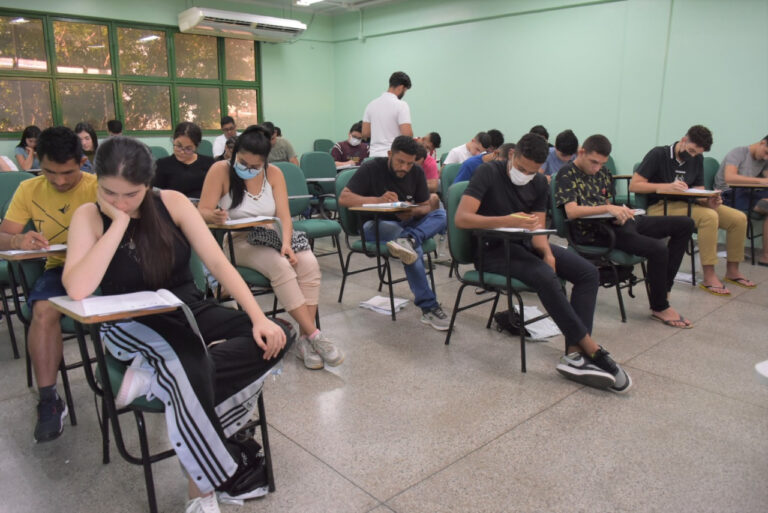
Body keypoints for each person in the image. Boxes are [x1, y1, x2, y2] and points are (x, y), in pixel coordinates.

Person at [62, 136, 292, 513]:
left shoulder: (171, 202)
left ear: (148, 184)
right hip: (129, 320)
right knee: (191, 364)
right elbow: (77, 287)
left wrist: (257, 317)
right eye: (110, 193)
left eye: (131, 195)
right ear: (97, 182)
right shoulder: (88, 216)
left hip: (185, 307)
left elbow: (217, 263)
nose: (120, 202)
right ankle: (200, 491)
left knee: (278, 335)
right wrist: (119, 224)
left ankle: (160, 378)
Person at [454, 133, 632, 392]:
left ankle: (574, 354)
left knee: (587, 272)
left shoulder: (538, 182)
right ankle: (591, 349)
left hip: (525, 245)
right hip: (492, 250)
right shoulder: (488, 173)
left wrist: (547, 254)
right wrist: (506, 220)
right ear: (512, 155)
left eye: (532, 171)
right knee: (545, 277)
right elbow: (462, 218)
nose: (525, 175)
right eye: (521, 168)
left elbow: (537, 229)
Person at [199, 126, 343, 370]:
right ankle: (315, 335)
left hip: (272, 235)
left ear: (265, 161)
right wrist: (214, 216)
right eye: (242, 162)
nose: (248, 169)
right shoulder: (220, 170)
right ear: (233, 153)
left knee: (309, 263)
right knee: (281, 266)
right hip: (239, 240)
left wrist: (286, 243)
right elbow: (202, 211)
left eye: (255, 166)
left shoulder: (274, 173)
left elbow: (284, 216)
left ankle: (304, 341)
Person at [0, 126, 98, 442]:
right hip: (59, 268)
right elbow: (3, 236)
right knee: (42, 311)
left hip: (105, 267)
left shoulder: (99, 187)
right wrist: (17, 240)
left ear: (82, 161)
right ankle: (49, 400)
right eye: (49, 172)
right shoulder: (29, 189)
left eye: (67, 172)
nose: (59, 181)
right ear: (39, 163)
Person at [556, 134, 695, 328]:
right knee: (658, 248)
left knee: (686, 224)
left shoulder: (603, 173)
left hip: (614, 223)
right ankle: (660, 306)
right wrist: (608, 209)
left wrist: (618, 213)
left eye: (601, 163)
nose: (597, 168)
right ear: (581, 152)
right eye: (593, 162)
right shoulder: (567, 173)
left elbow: (606, 202)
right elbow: (571, 212)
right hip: (593, 232)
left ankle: (664, 288)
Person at [339, 135, 450, 330]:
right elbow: (344, 199)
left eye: (410, 163)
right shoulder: (371, 168)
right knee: (411, 249)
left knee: (441, 214)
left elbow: (425, 206)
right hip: (375, 225)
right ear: (390, 154)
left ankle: (409, 239)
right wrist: (378, 200)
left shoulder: (416, 172)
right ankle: (428, 306)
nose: (405, 168)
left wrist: (412, 211)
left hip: (406, 223)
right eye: (400, 161)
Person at [630, 125, 754, 296]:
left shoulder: (697, 158)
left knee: (738, 218)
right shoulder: (659, 154)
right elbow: (634, 185)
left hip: (689, 204)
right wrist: (666, 186)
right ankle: (709, 276)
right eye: (691, 151)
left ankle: (733, 271)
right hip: (660, 205)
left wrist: (708, 200)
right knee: (709, 217)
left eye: (697, 153)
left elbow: (699, 190)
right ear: (683, 140)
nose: (693, 156)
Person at [713, 135, 768, 265]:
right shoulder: (738, 152)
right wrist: (761, 181)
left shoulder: (764, 159)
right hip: (727, 194)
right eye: (766, 153)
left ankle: (765, 256)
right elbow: (730, 178)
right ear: (762, 143)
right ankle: (766, 256)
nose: (766, 158)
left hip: (748, 192)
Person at [154, 122, 215, 199]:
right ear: (173, 140)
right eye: (178, 146)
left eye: (188, 148)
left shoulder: (210, 164)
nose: (182, 152)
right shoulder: (162, 165)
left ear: (197, 146)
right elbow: (156, 196)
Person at [362, 71, 413, 157]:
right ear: (401, 87)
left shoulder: (371, 105)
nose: (404, 94)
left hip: (374, 155)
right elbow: (407, 134)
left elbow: (365, 133)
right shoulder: (401, 105)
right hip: (392, 156)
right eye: (405, 91)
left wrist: (379, 133)